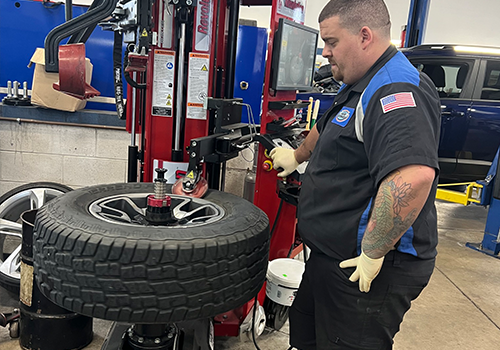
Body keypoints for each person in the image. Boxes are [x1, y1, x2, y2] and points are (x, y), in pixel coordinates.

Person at [270, 0, 441, 349]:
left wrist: (373, 252)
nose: (326, 52)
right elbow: (330, 122)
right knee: (307, 339)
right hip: (330, 255)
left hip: (368, 269)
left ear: (364, 36)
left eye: (331, 42)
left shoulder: (395, 89)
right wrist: (297, 155)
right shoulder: (362, 79)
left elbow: (413, 177)